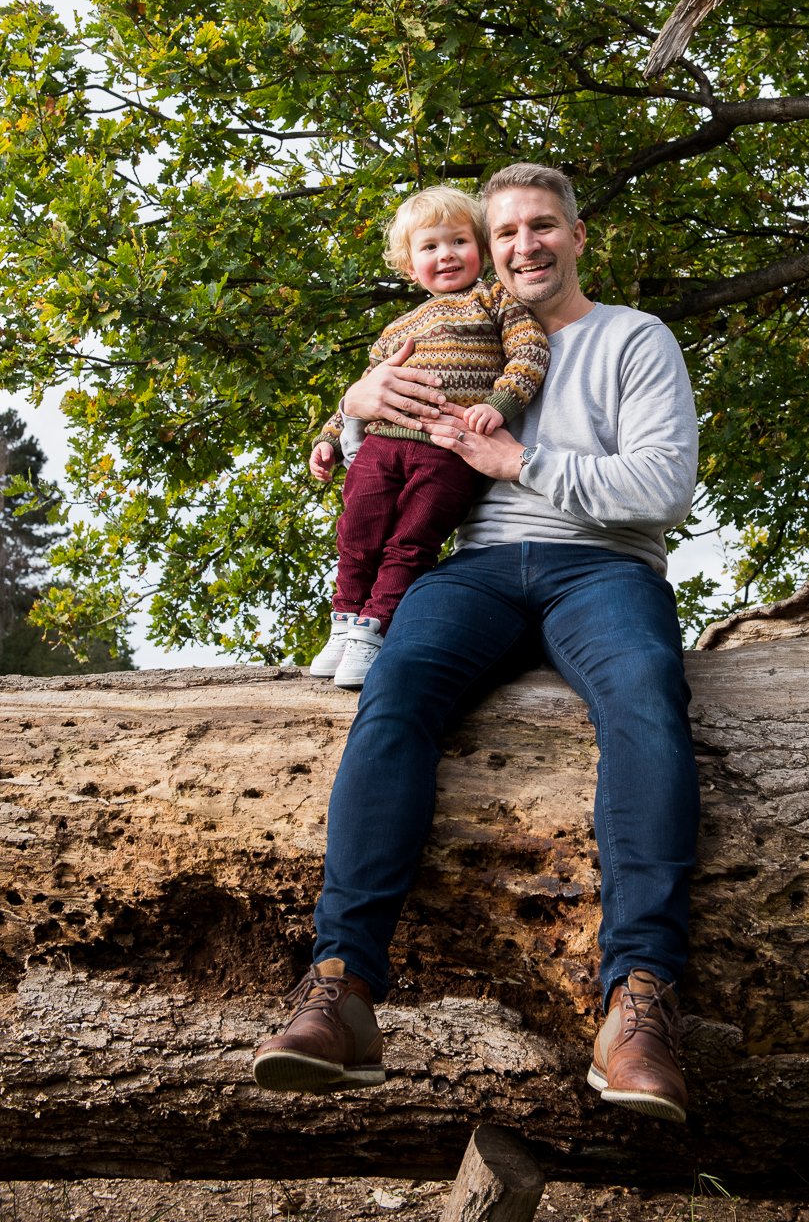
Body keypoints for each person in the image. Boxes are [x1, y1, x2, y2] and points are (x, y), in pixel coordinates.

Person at [254, 164, 701, 1123]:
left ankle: (640, 1001)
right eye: (505, 233)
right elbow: (381, 463)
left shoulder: (633, 338)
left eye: (543, 227)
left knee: (648, 694)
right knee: (397, 692)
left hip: (604, 568)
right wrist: (360, 402)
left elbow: (664, 490)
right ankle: (341, 990)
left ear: (579, 236)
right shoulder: (458, 334)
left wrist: (521, 460)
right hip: (478, 571)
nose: (522, 246)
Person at [306, 185, 549, 687]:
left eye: (459, 241)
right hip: (380, 446)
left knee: (411, 541)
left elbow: (530, 353)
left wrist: (498, 403)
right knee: (357, 534)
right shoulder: (398, 327)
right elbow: (362, 389)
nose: (446, 255)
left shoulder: (494, 299)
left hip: (446, 451)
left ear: (480, 248)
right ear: (409, 264)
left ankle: (375, 628)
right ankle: (345, 620)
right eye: (430, 247)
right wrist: (331, 436)